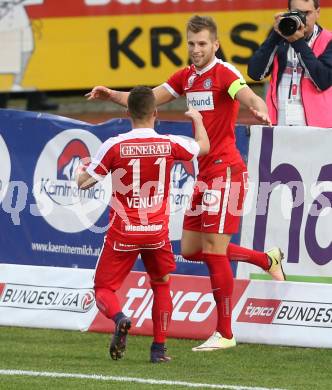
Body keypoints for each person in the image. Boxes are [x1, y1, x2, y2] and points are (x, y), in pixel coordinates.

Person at [85, 15, 286, 352]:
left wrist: (259, 108)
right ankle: (266, 260)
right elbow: (147, 100)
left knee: (215, 251)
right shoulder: (187, 78)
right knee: (193, 249)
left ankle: (225, 333)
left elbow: (246, 94)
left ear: (215, 45)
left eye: (203, 44)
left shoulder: (225, 73)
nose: (196, 50)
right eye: (192, 44)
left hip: (226, 172)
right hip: (202, 174)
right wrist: (111, 95)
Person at [76, 86, 210, 362]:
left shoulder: (114, 145)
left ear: (127, 113)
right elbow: (203, 147)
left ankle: (120, 317)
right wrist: (197, 119)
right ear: (156, 112)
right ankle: (159, 350)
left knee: (103, 288)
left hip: (124, 230)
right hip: (156, 232)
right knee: (161, 285)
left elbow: (84, 183)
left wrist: (82, 168)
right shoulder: (170, 143)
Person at [248, 0, 332, 128]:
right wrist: (275, 36)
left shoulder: (328, 40)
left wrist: (298, 43)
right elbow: (255, 73)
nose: (303, 18)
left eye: (307, 13)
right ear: (288, 12)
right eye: (298, 13)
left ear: (318, 12)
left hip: (316, 127)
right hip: (280, 122)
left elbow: (323, 80)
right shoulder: (279, 38)